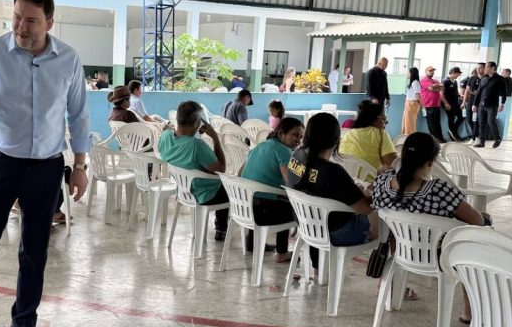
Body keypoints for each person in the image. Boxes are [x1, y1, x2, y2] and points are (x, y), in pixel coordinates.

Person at [0, 0, 91, 327]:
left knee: (35, 248)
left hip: (47, 166)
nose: (21, 26)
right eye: (17, 17)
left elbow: (78, 113)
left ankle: (24, 325)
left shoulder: (69, 59)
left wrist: (79, 165)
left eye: (31, 20)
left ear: (50, 21)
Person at [372, 132, 488, 323]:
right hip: (439, 256)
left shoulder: (382, 184)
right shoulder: (438, 190)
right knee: (475, 241)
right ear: (431, 162)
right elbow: (477, 221)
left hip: (401, 251)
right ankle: (469, 311)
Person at [287, 112, 379, 273]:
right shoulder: (334, 172)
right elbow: (365, 209)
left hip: (305, 223)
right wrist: (366, 193)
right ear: (336, 139)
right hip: (335, 233)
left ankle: (318, 268)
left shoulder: (296, 157)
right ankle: (386, 283)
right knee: (385, 222)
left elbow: (314, 186)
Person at [159, 100, 229, 241]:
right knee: (231, 188)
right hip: (204, 194)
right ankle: (221, 229)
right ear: (198, 123)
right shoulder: (196, 146)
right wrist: (215, 138)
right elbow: (221, 169)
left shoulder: (165, 137)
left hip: (183, 191)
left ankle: (221, 228)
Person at [240, 117, 304, 260]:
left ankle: (251, 242)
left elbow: (239, 174)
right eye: (295, 135)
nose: (298, 140)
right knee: (294, 208)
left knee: (265, 196)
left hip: (244, 208)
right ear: (281, 134)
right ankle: (281, 252)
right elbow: (292, 183)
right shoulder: (284, 151)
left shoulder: (259, 146)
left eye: (301, 137)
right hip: (262, 213)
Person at [339, 100, 397, 171]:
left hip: (347, 178)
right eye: (384, 119)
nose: (386, 122)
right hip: (370, 180)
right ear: (375, 119)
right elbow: (393, 164)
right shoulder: (380, 134)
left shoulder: (349, 134)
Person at [473, 61, 507, 148]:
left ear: (493, 68)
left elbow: (504, 92)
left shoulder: (500, 79)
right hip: (481, 105)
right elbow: (479, 92)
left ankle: (497, 139)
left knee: (491, 121)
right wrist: (475, 104)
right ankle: (481, 142)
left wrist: (502, 103)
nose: (485, 68)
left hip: (492, 105)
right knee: (481, 123)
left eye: (487, 67)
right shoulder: (484, 78)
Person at [420, 66, 447, 143]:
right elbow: (431, 88)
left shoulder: (435, 80)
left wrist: (436, 87)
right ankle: (435, 140)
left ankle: (440, 138)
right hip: (428, 106)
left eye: (433, 71)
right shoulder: (423, 80)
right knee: (431, 124)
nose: (432, 72)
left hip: (437, 105)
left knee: (437, 123)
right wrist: (437, 87)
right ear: (426, 72)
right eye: (430, 71)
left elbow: (442, 88)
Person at [461, 63, 486, 144]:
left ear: (485, 69)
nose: (478, 69)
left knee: (477, 120)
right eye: (477, 68)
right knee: (469, 119)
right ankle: (475, 135)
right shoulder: (472, 78)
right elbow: (467, 91)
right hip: (471, 100)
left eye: (480, 68)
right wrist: (464, 102)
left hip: (480, 102)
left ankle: (474, 137)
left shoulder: (486, 79)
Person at [442, 67, 464, 142]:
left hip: (455, 103)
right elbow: (441, 94)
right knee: (451, 118)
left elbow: (455, 92)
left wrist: (460, 96)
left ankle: (453, 131)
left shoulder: (455, 81)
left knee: (461, 116)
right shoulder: (445, 81)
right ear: (453, 72)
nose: (458, 75)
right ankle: (454, 134)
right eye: (457, 74)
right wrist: (446, 103)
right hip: (448, 103)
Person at [402, 67, 422, 135]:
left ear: (412, 74)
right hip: (409, 103)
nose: (407, 74)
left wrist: (420, 104)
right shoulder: (413, 82)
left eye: (408, 72)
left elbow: (417, 96)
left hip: (412, 103)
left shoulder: (415, 82)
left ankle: (410, 137)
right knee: (406, 122)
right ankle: (405, 137)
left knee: (410, 123)